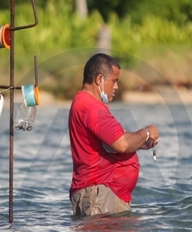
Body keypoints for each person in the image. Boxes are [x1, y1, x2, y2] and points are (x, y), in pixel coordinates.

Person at [68, 53, 159, 216]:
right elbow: (122, 144)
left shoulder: (85, 103)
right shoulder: (91, 108)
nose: (116, 86)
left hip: (100, 195)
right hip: (99, 195)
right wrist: (146, 133)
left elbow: (115, 140)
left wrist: (139, 143)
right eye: (114, 81)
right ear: (99, 80)